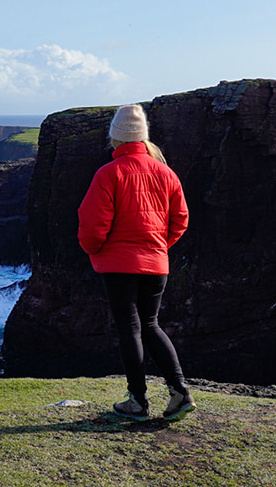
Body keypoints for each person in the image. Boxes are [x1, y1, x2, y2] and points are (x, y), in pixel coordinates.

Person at [77, 103, 196, 422]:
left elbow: (91, 225)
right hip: (157, 264)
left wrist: (95, 250)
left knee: (130, 328)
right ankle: (179, 391)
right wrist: (157, 247)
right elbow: (180, 219)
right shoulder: (166, 172)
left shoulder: (109, 173)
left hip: (119, 265)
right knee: (151, 324)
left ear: (115, 138)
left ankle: (138, 401)